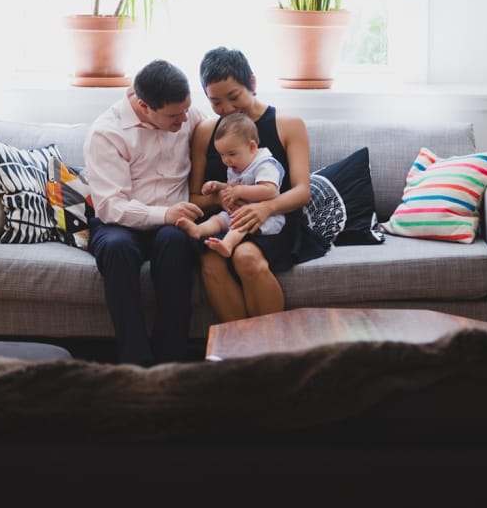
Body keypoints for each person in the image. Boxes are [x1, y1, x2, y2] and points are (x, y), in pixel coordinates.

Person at [188, 47, 329, 322]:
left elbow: (302, 192)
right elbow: (193, 197)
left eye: (234, 97)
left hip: (274, 221)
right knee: (211, 260)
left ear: (252, 83)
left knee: (246, 257)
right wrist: (220, 199)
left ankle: (269, 344)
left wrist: (265, 208)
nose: (227, 109)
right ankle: (240, 344)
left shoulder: (288, 125)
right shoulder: (205, 132)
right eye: (216, 102)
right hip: (226, 220)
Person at [83, 58, 207, 366]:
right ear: (143, 106)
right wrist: (163, 214)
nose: (184, 120)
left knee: (175, 241)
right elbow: (110, 206)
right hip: (120, 222)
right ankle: (136, 365)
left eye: (187, 109)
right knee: (117, 248)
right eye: (174, 116)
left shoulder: (188, 115)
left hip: (172, 225)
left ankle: (171, 363)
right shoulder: (107, 132)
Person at [176, 112, 284, 258]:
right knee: (217, 220)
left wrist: (240, 191)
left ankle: (228, 244)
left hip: (264, 217)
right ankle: (199, 230)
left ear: (252, 147)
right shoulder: (237, 165)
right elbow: (232, 187)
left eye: (231, 154)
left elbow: (269, 190)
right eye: (222, 155)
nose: (226, 160)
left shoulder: (265, 164)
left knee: (240, 224)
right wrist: (217, 186)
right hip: (237, 213)